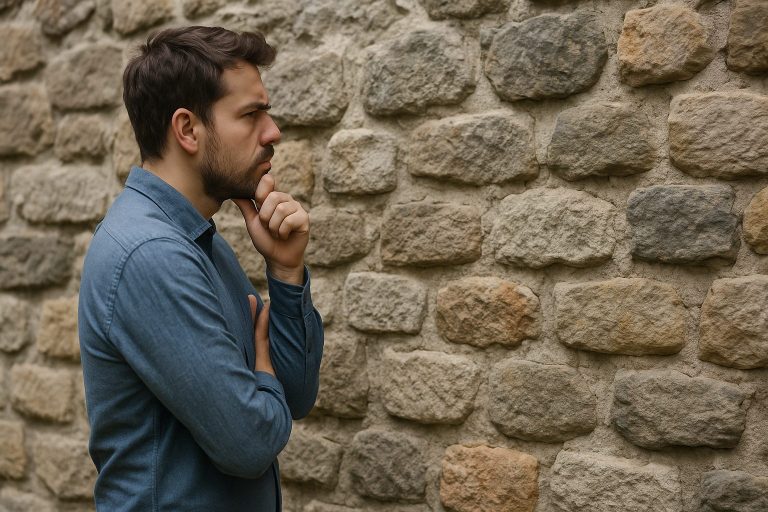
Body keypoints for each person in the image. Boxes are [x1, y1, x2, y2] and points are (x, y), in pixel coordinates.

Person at [78, 26, 323, 511]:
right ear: (188, 129)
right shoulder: (149, 252)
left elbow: (293, 397)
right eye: (251, 114)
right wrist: (261, 378)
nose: (273, 132)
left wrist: (286, 271)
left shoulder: (203, 243)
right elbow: (250, 443)